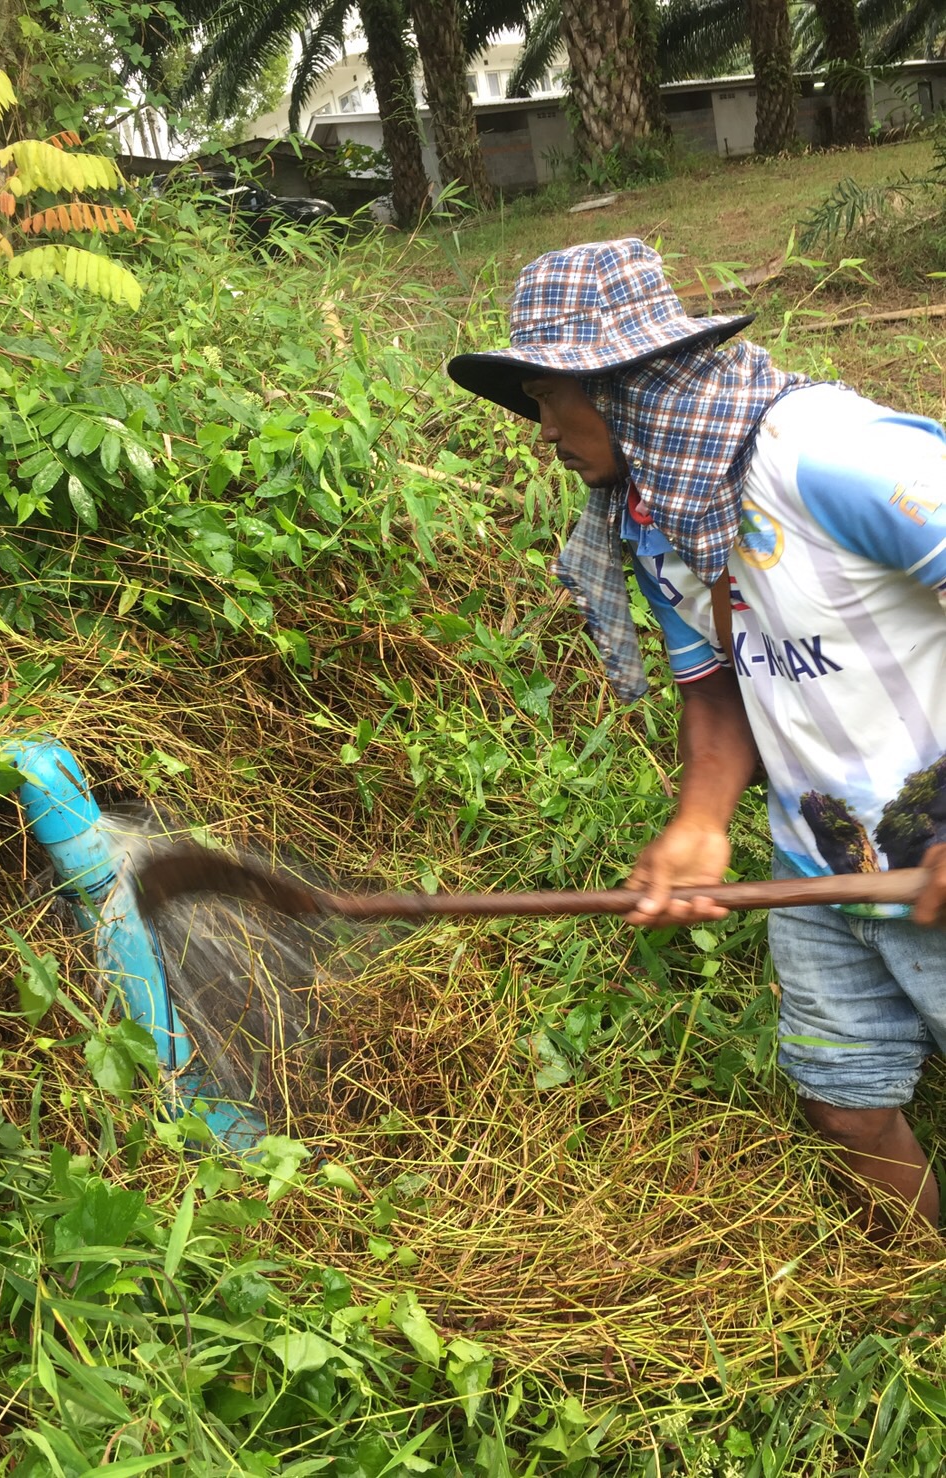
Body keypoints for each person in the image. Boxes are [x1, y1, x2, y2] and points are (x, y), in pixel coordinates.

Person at [447, 237, 946, 1231]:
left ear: (627, 387)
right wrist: (700, 822)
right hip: (824, 859)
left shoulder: (836, 464)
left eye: (549, 397)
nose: (539, 429)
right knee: (846, 1105)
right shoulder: (662, 515)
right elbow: (718, 685)